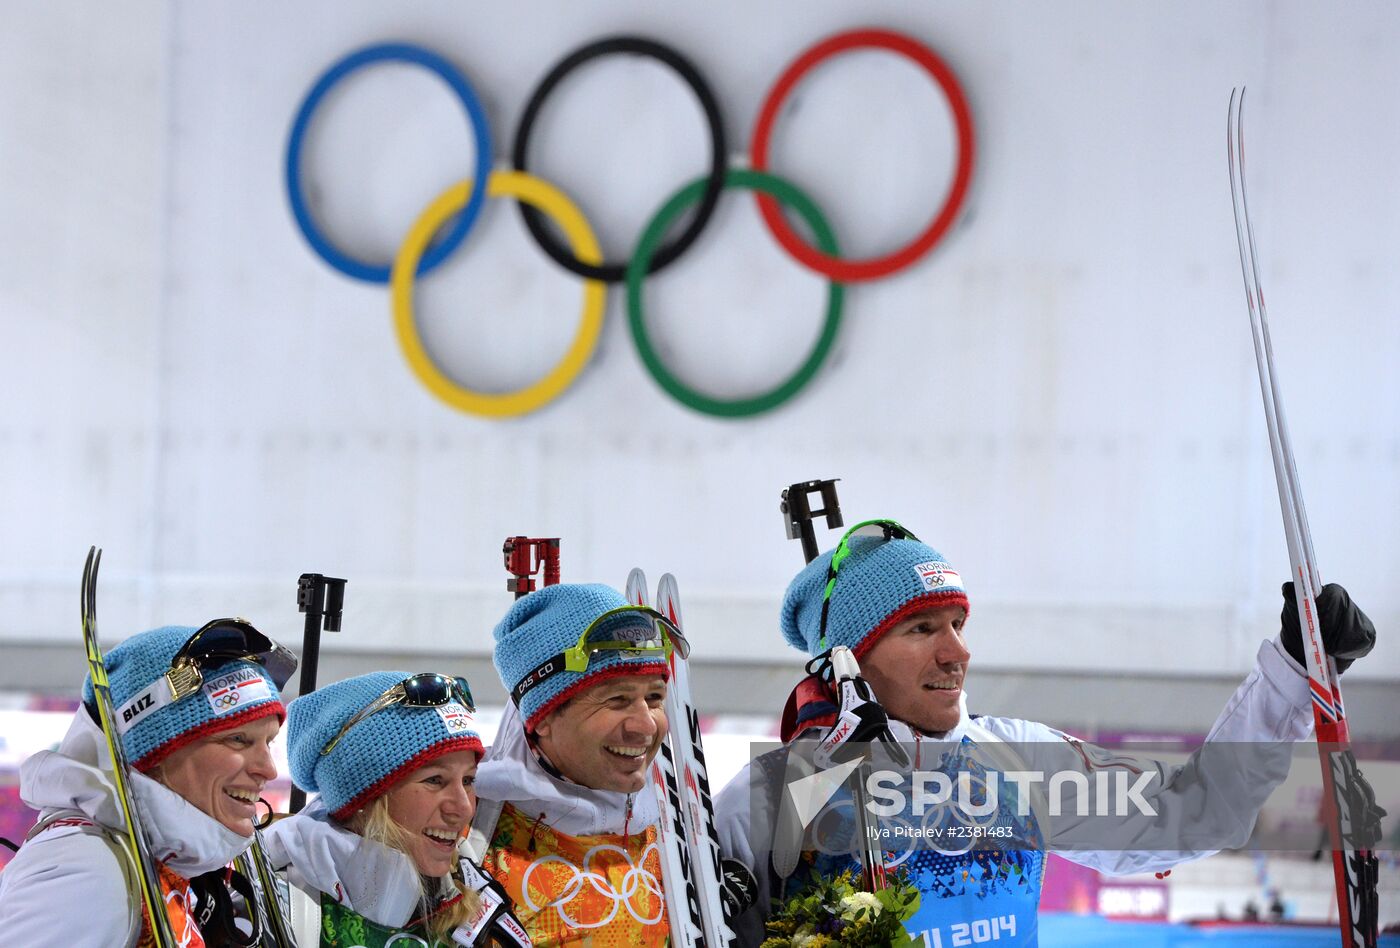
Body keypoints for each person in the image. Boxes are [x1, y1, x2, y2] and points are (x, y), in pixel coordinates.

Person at [714, 522, 1377, 947]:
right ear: (851, 660)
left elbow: (1194, 815)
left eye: (958, 625)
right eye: (922, 630)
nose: (956, 653)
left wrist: (1288, 678)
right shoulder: (780, 794)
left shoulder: (1019, 762)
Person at [0, 620, 296, 947]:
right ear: (153, 754)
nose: (267, 769)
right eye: (238, 740)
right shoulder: (88, 870)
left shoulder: (150, 860)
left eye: (267, 743)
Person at [466, 583, 679, 946]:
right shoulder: (458, 825)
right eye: (617, 700)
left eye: (654, 698)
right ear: (542, 717)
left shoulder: (677, 823)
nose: (645, 725)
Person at [264, 670, 528, 946]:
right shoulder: (276, 905)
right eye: (435, 780)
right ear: (366, 799)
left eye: (468, 780)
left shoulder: (480, 909)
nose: (463, 808)